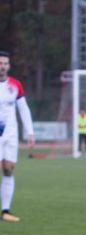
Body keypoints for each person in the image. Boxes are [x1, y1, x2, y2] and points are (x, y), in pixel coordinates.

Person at [0, 51, 35, 222]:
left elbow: (23, 109)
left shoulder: (15, 85)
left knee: (8, 169)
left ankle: (5, 211)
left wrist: (30, 132)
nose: (2, 66)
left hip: (11, 134)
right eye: (0, 63)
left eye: (5, 63)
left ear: (9, 66)